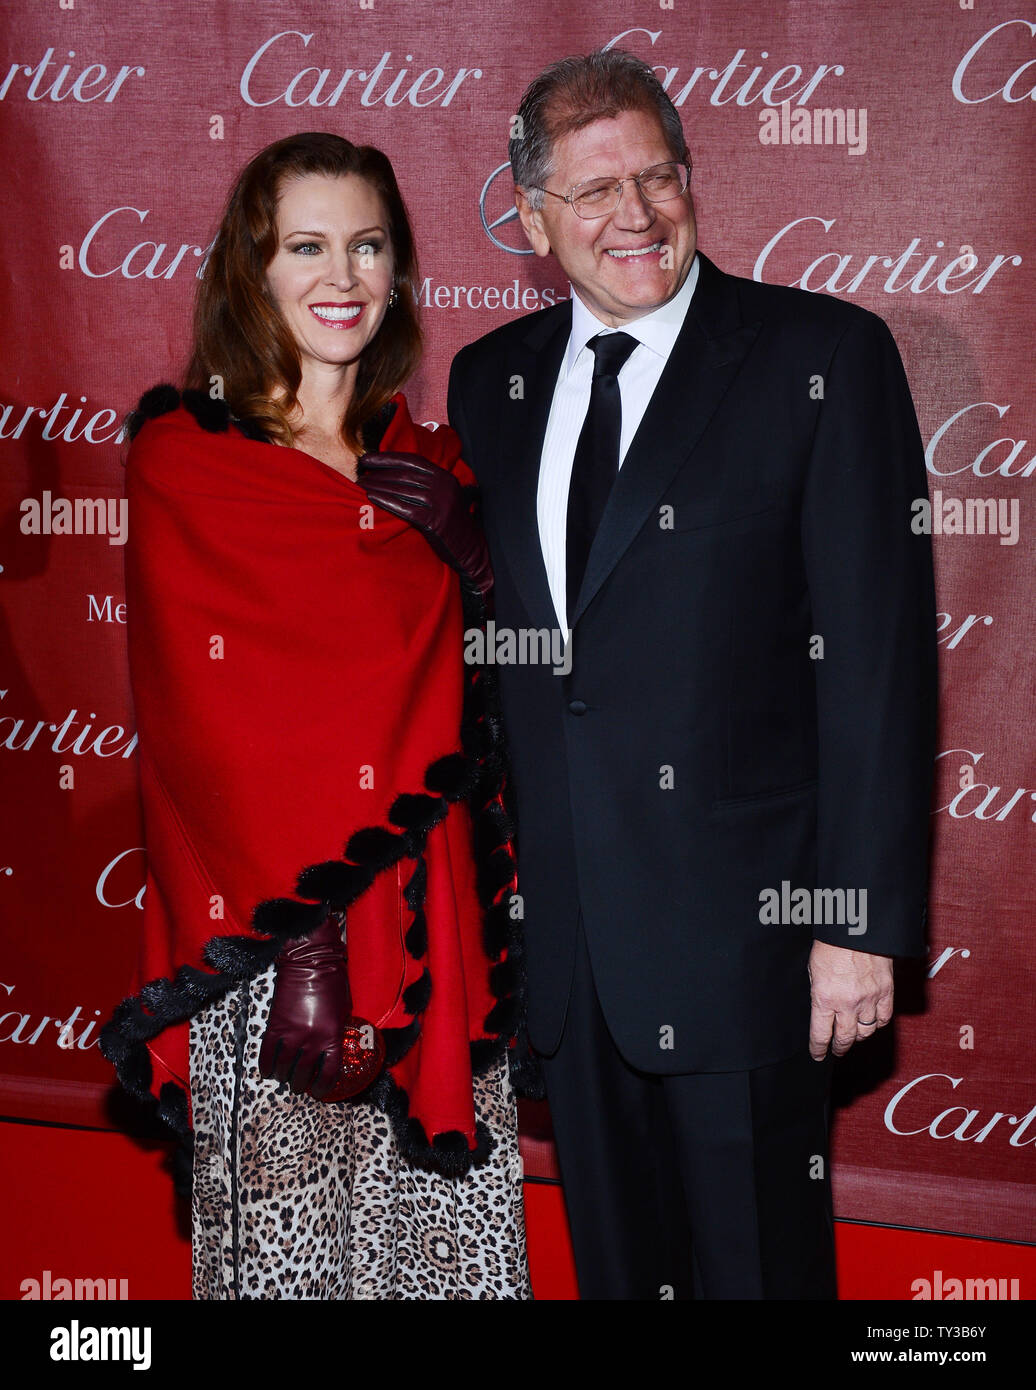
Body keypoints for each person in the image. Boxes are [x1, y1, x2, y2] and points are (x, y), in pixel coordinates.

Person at [447, 49, 938, 1300]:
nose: (635, 215)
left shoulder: (818, 357)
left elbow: (876, 662)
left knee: (757, 1274)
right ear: (531, 216)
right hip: (572, 957)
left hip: (749, 949)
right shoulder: (488, 384)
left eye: (657, 177)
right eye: (596, 190)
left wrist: (855, 923)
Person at [100, 132, 532, 1300]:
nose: (340, 275)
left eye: (367, 245)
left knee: (434, 1255)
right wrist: (305, 939)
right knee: (290, 1268)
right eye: (306, 245)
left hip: (428, 923)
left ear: (396, 270)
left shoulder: (432, 460)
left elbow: (501, 704)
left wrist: (478, 569)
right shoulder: (187, 459)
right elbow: (206, 722)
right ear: (254, 268)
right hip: (277, 939)